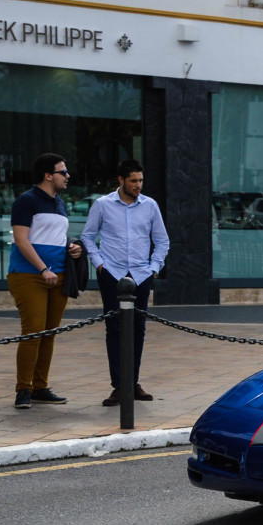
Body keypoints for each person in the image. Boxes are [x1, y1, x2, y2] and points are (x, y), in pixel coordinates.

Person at [81, 159, 171, 406]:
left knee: (138, 329)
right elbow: (88, 236)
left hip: (141, 276)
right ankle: (119, 386)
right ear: (121, 180)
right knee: (115, 329)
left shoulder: (150, 206)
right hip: (112, 273)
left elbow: (162, 241)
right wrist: (99, 263)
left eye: (140, 180)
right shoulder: (102, 204)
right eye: (133, 180)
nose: (138, 185)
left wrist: (154, 268)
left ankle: (133, 383)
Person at [7, 153, 84, 410]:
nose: (68, 176)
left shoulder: (61, 204)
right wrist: (43, 269)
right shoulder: (26, 201)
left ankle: (40, 386)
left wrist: (72, 247)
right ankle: (23, 389)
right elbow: (21, 240)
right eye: (63, 172)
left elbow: (53, 236)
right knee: (33, 333)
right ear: (48, 175)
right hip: (29, 276)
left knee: (49, 334)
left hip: (59, 275)